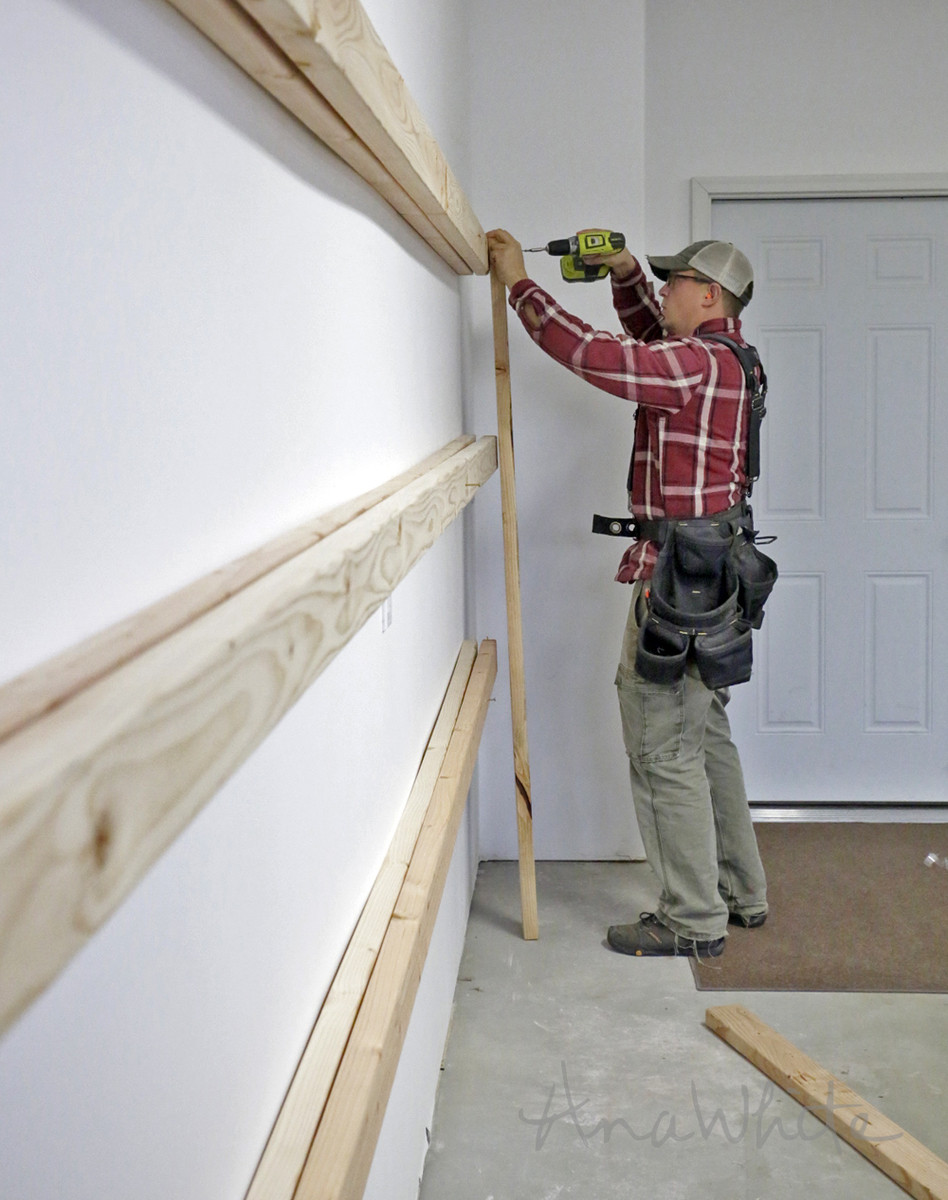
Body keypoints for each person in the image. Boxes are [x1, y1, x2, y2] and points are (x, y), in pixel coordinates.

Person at [487, 228, 768, 958]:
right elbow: (650, 339)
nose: (665, 288)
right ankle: (741, 894)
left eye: (675, 281)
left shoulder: (692, 366)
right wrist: (625, 276)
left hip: (677, 581)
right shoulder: (732, 358)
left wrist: (522, 286)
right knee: (703, 738)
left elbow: (608, 359)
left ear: (709, 295)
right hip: (715, 575)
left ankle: (692, 918)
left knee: (660, 743)